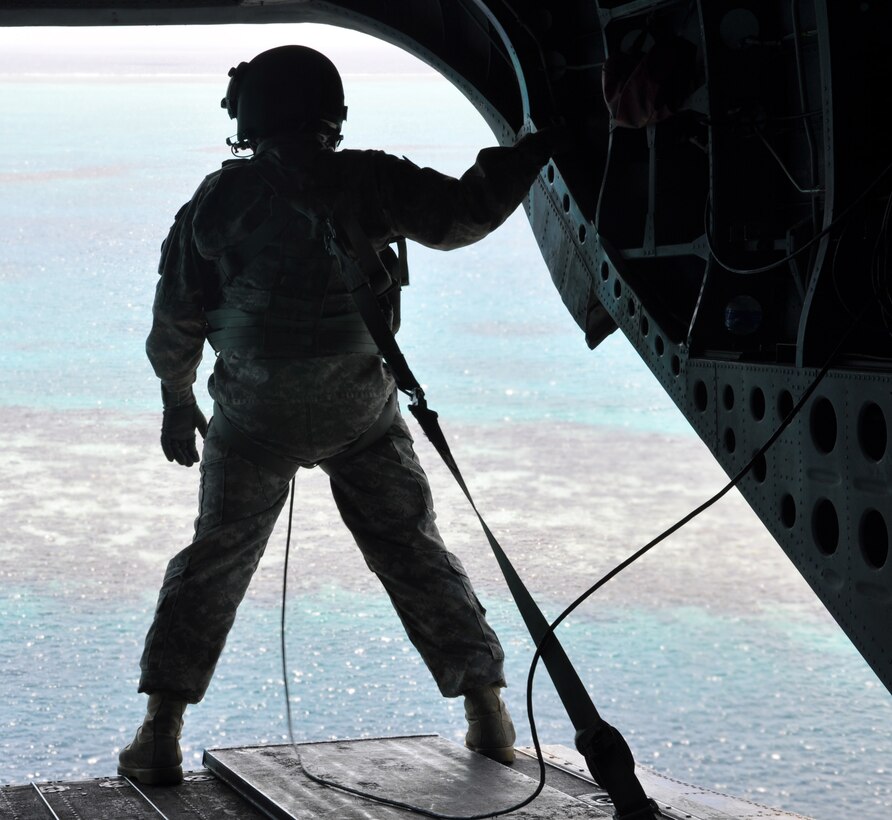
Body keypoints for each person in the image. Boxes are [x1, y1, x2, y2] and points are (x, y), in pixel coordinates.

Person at [118, 45, 559, 786]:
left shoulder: (217, 201)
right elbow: (465, 214)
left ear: (248, 117)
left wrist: (176, 402)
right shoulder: (371, 179)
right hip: (360, 406)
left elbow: (176, 318)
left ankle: (159, 733)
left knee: (213, 562)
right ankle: (488, 713)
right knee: (410, 548)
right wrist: (537, 147)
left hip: (255, 413)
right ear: (332, 111)